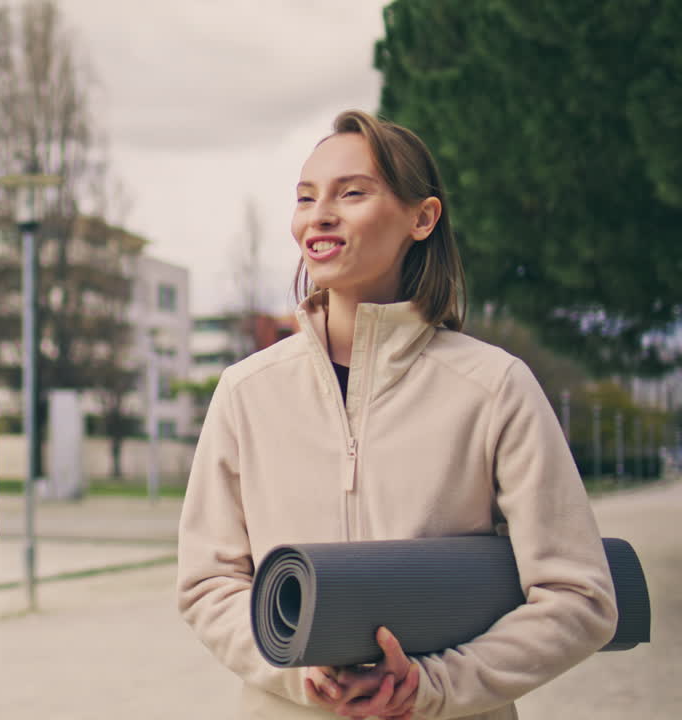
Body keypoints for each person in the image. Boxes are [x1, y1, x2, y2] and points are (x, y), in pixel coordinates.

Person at [176, 110, 617, 720]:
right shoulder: (246, 392)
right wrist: (296, 665)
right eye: (306, 198)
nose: (320, 214)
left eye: (351, 193)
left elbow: (580, 596)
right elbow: (208, 583)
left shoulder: (495, 388)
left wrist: (434, 685)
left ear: (422, 217)